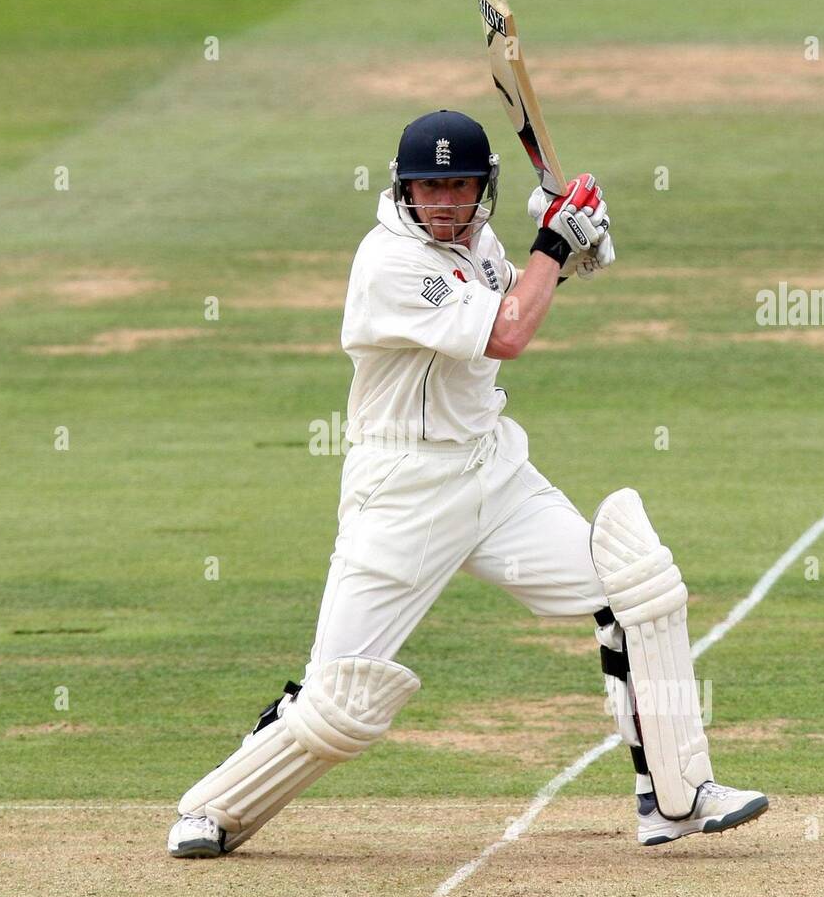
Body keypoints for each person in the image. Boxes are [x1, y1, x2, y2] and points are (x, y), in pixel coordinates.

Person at [167, 109, 767, 857]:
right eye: (430, 187)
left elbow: (519, 295)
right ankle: (213, 809)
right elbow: (508, 332)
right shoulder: (388, 262)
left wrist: (578, 247)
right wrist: (556, 241)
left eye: (459, 186)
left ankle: (676, 798)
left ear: (483, 187)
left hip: (494, 473)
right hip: (404, 490)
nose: (445, 203)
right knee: (342, 700)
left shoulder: (477, 243)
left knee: (635, 585)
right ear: (403, 188)